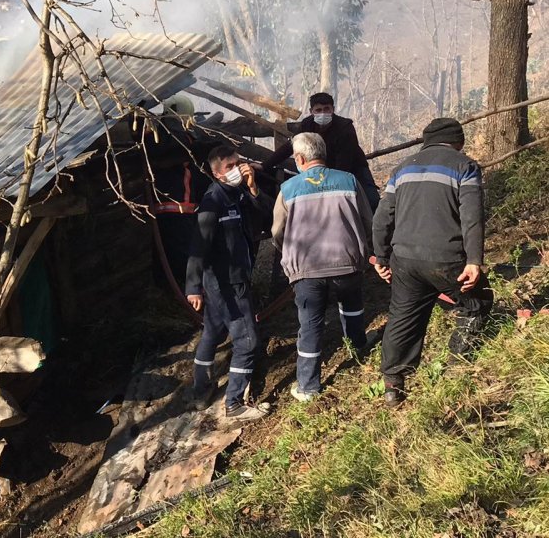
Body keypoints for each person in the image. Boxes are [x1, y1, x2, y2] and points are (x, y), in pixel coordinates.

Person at [372, 117, 493, 407]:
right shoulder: (465, 166)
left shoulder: (401, 169)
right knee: (478, 301)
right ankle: (457, 365)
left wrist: (381, 257)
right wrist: (474, 261)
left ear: (425, 141)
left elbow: (381, 218)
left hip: (403, 260)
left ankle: (392, 383)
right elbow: (472, 218)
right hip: (446, 259)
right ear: (459, 142)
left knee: (403, 316)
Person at [271, 132, 374, 402]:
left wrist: (288, 254)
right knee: (352, 307)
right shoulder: (348, 180)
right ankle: (359, 347)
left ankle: (308, 386)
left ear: (300, 158)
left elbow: (278, 232)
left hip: (307, 271)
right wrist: (366, 251)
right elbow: (367, 220)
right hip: (347, 264)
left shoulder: (288, 189)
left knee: (310, 325)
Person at [185, 144, 272, 421]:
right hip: (227, 283)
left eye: (239, 163)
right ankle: (234, 403)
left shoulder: (238, 194)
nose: (238, 169)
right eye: (231, 167)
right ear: (218, 174)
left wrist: (253, 186)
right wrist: (192, 287)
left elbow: (267, 214)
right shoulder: (213, 202)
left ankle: (201, 391)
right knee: (247, 341)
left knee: (212, 331)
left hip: (229, 280)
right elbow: (199, 244)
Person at [259, 92, 380, 211]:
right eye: (318, 110)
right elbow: (290, 146)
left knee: (371, 201)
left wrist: (333, 185)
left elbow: (345, 162)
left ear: (333, 109)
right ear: (311, 111)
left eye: (327, 109)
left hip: (354, 168)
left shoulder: (345, 127)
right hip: (320, 169)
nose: (323, 113)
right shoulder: (307, 125)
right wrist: (264, 166)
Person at [146, 96, 207, 290]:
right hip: (182, 207)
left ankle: (166, 292)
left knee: (163, 255)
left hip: (159, 208)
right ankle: (189, 294)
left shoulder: (153, 137)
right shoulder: (182, 138)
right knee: (186, 258)